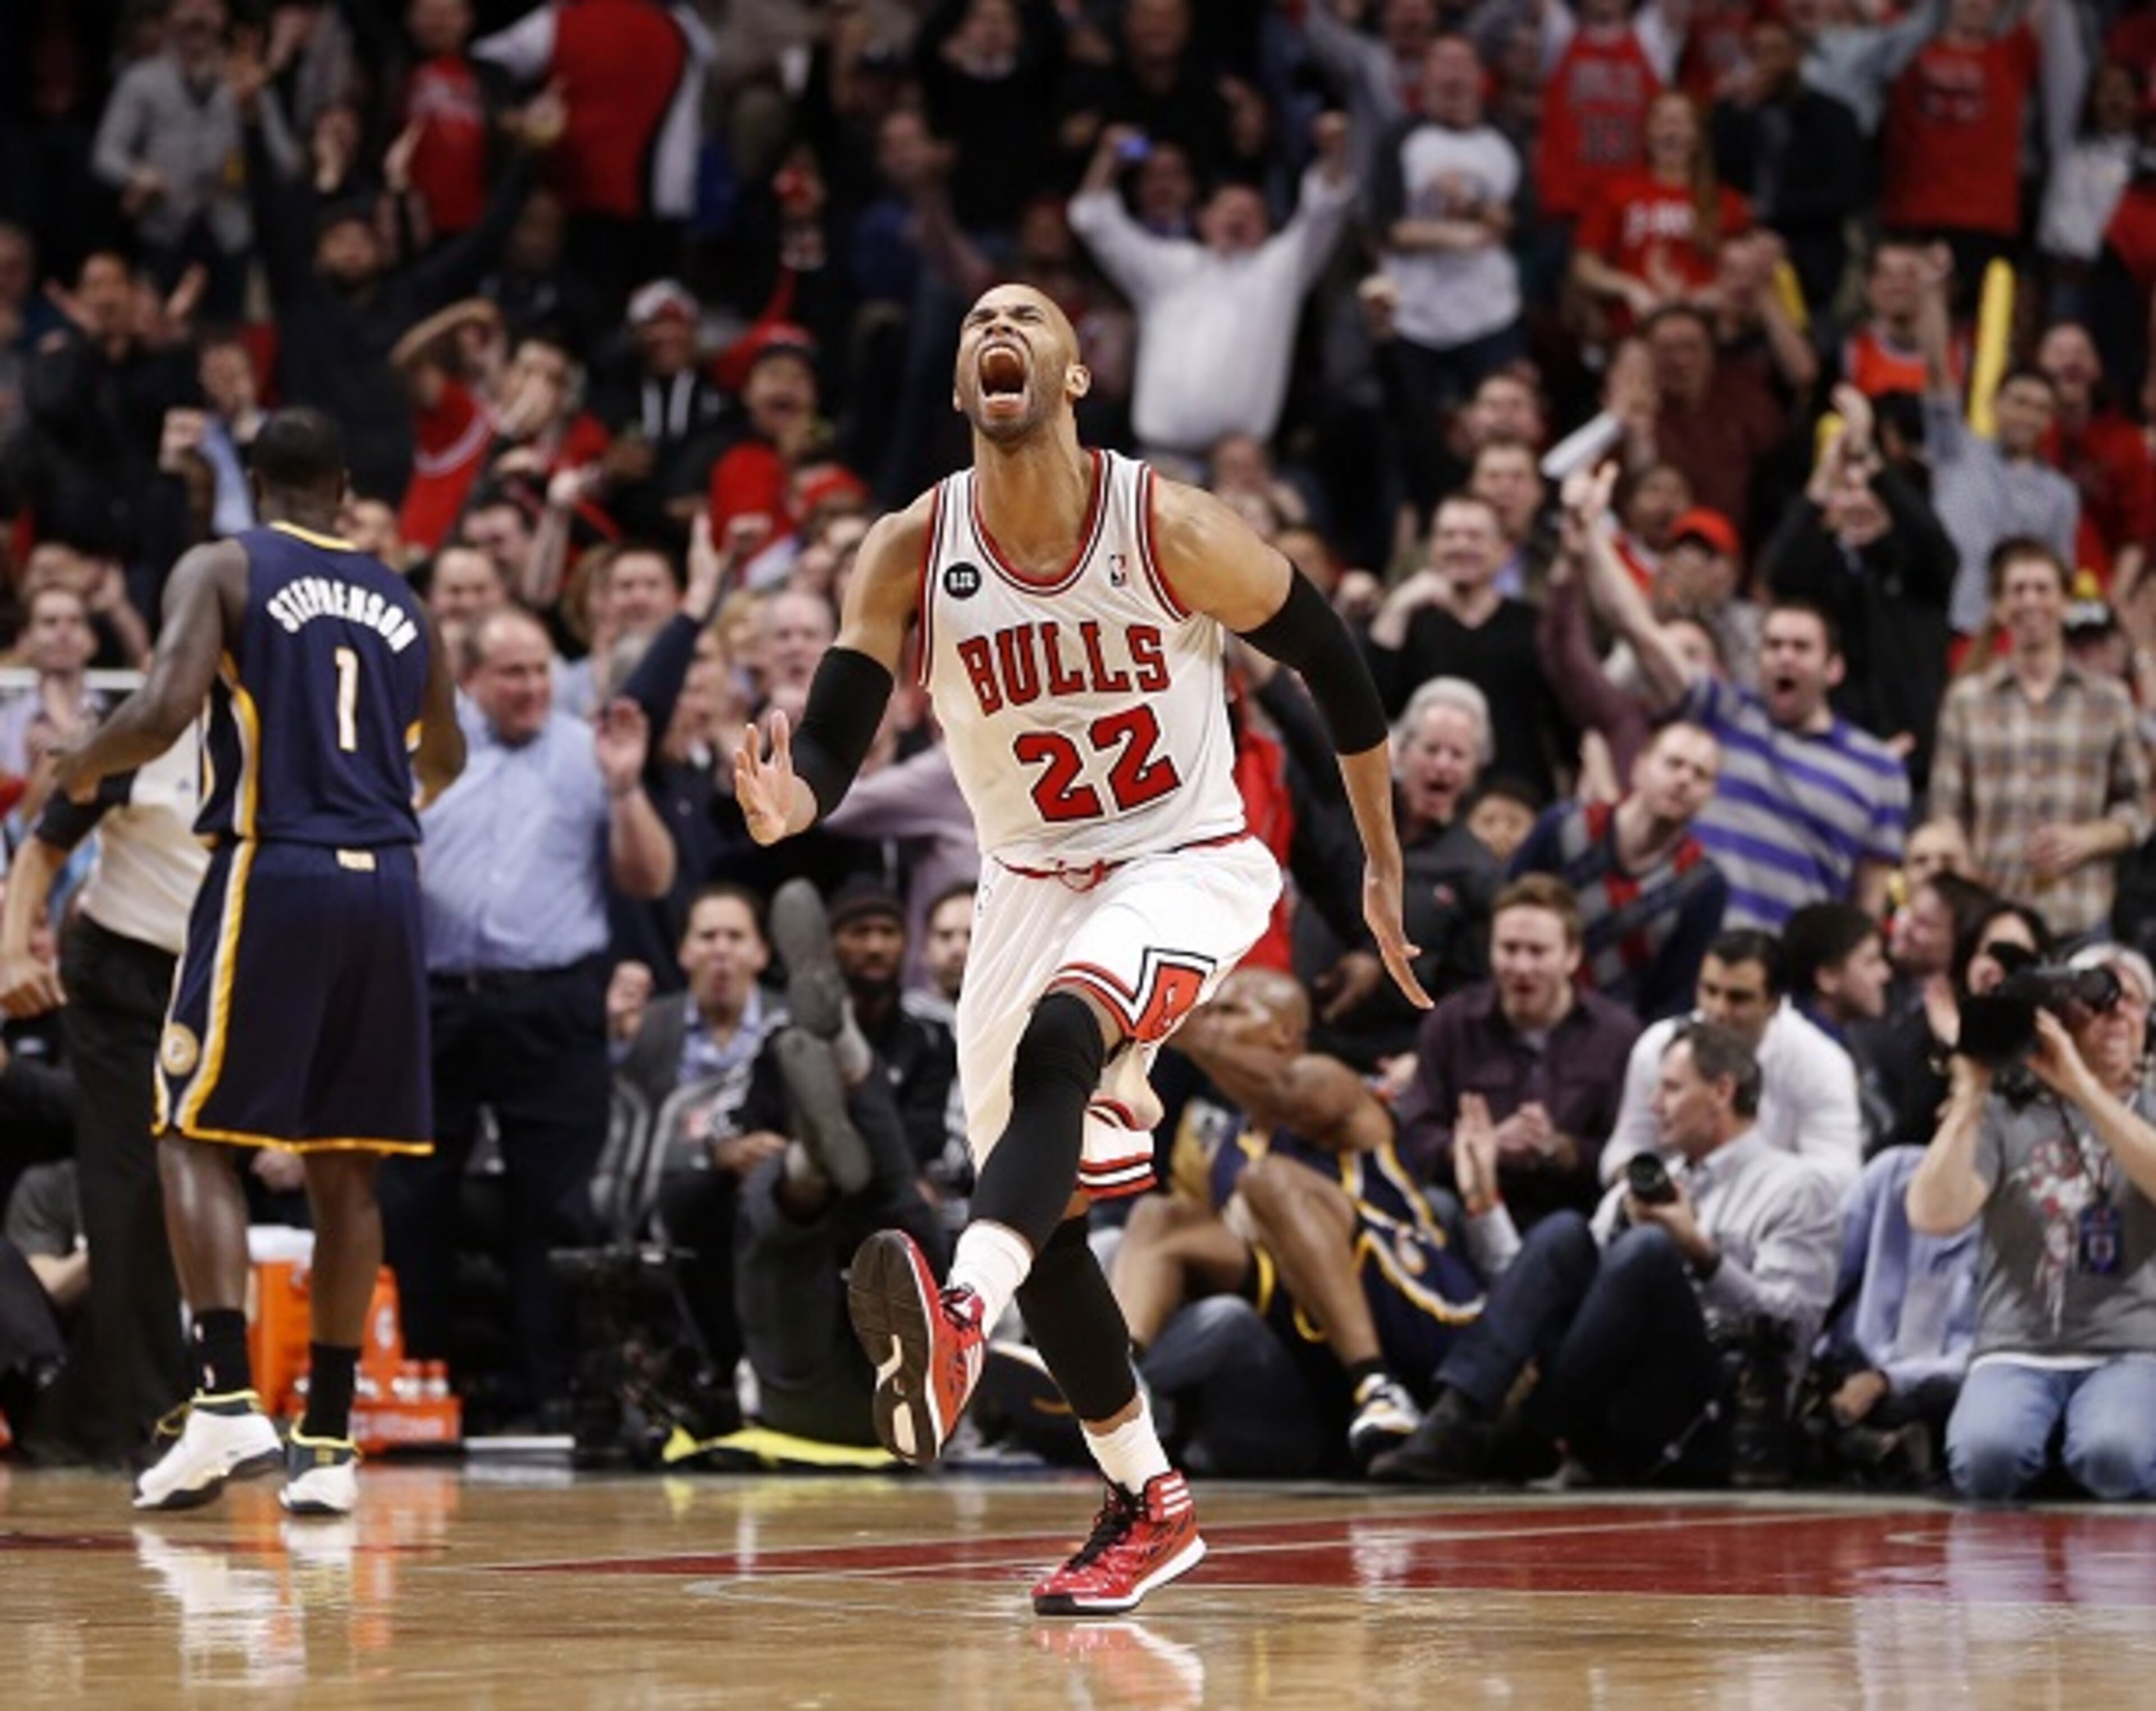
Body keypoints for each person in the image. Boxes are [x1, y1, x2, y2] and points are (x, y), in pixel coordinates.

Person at [732, 281, 1424, 1615]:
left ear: (1074, 375)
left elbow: (1331, 658)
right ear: (958, 388)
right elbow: (833, 728)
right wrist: (795, 799)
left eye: (1028, 316)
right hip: (1024, 884)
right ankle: (1145, 1502)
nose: (998, 325)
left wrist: (1381, 862)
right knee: (1033, 1207)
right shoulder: (904, 548)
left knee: (1067, 1036)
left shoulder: (1162, 524)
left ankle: (956, 1323)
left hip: (1182, 855)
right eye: (977, 318)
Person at [49, 408, 464, 1514]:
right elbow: (451, 755)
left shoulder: (222, 562)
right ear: (341, 484)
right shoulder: (403, 596)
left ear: (253, 486)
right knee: (347, 1161)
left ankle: (227, 1402)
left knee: (192, 1127)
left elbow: (165, 705)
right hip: (389, 880)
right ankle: (327, 1439)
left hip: (272, 866)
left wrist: (81, 760)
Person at [1372, 1021, 1839, 1486]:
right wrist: (1484, 1203)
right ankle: (1457, 1419)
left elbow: (1792, 1327)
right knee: (1564, 1233)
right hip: (1603, 1401)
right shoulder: (1642, 1186)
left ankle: (1525, 1435)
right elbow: (1531, 1295)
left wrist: (1699, 1251)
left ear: (1722, 1090)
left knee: (1647, 1249)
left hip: (1715, 1409)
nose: (1654, 1105)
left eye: (1672, 1089)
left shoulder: (1796, 1187)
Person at [1570, 460, 1910, 928]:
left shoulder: (1879, 767)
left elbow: (1868, 908)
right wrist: (1590, 535)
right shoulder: (1722, 713)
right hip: (1693, 962)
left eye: (1800, 648)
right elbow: (1639, 630)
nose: (1784, 658)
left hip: (1790, 979)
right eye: (1773, 646)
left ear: (1833, 668)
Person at [0, 716, 203, 1465]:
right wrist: (14, 947)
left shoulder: (287, 733)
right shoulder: (143, 729)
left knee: (199, 1183)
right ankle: (142, 1419)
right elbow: (46, 842)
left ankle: (179, 1399)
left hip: (218, 978)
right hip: (122, 975)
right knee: (138, 1187)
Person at [1907, 943, 2156, 1502]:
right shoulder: (2005, 1109)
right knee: (1985, 1463)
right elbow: (1932, 1213)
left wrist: (2082, 1087)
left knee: (2113, 1456)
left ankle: (2086, 1443)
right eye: (2097, 1001)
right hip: (2017, 1346)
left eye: (2130, 1000)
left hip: (2133, 1346)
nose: (2116, 1014)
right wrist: (1971, 1090)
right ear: (2062, 1016)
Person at [1930, 540, 2149, 940]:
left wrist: (2089, 838)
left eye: (2043, 588)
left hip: (2083, 914)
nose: (2030, 601)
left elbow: (2142, 804)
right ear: (1998, 607)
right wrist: (1964, 866)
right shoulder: (1966, 701)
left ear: (2065, 602)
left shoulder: (2108, 698)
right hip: (1991, 918)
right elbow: (1945, 813)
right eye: (2017, 590)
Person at [1604, 929, 1866, 1197]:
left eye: (1738, 998)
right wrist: (1654, 1190)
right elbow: (1625, 1150)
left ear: (1774, 1003)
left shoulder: (1822, 1064)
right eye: (1710, 991)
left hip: (1772, 1220)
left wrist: (1742, 1196)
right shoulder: (1658, 1047)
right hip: (1669, 1208)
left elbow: (1840, 1178)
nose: (1719, 1011)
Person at [1510, 719, 1727, 1021]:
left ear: (1709, 796)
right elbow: (1502, 910)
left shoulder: (1703, 884)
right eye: (1674, 764)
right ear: (1639, 768)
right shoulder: (1564, 827)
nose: (1684, 780)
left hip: (1611, 1040)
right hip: (1520, 1007)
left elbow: (1678, 995)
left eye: (1700, 775)